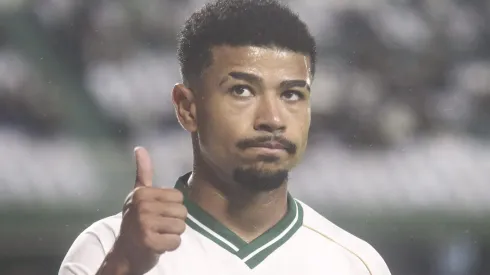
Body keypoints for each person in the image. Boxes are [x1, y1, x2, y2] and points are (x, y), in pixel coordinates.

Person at [59, 0, 392, 274]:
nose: (273, 119)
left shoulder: (356, 264)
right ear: (187, 108)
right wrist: (125, 264)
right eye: (242, 90)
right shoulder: (107, 247)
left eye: (291, 94)